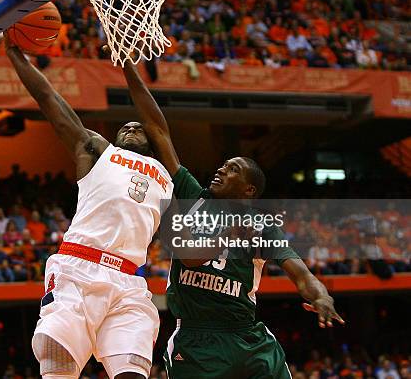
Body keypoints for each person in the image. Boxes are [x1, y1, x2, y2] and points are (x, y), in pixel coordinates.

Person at [121, 62, 344, 379]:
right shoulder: (191, 196)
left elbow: (301, 273)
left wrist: (320, 294)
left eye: (232, 169)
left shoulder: (263, 227)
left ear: (249, 189)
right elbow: (158, 129)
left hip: (247, 336)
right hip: (197, 338)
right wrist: (129, 68)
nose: (221, 170)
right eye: (223, 166)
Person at [5, 34, 173, 379]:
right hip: (79, 268)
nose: (130, 127)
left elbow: (156, 122)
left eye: (138, 127)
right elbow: (51, 100)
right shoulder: (98, 152)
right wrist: (16, 55)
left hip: (129, 280)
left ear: (153, 141)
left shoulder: (167, 172)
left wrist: (127, 65)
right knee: (57, 364)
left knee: (133, 373)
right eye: (124, 126)